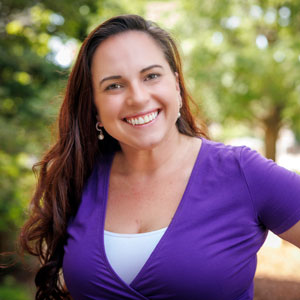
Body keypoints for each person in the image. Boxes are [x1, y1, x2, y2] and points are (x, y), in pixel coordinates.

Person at [19, 14, 300, 300]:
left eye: (151, 76)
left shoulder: (243, 173)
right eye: (114, 85)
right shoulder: (79, 178)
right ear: (94, 107)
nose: (138, 98)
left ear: (176, 86)